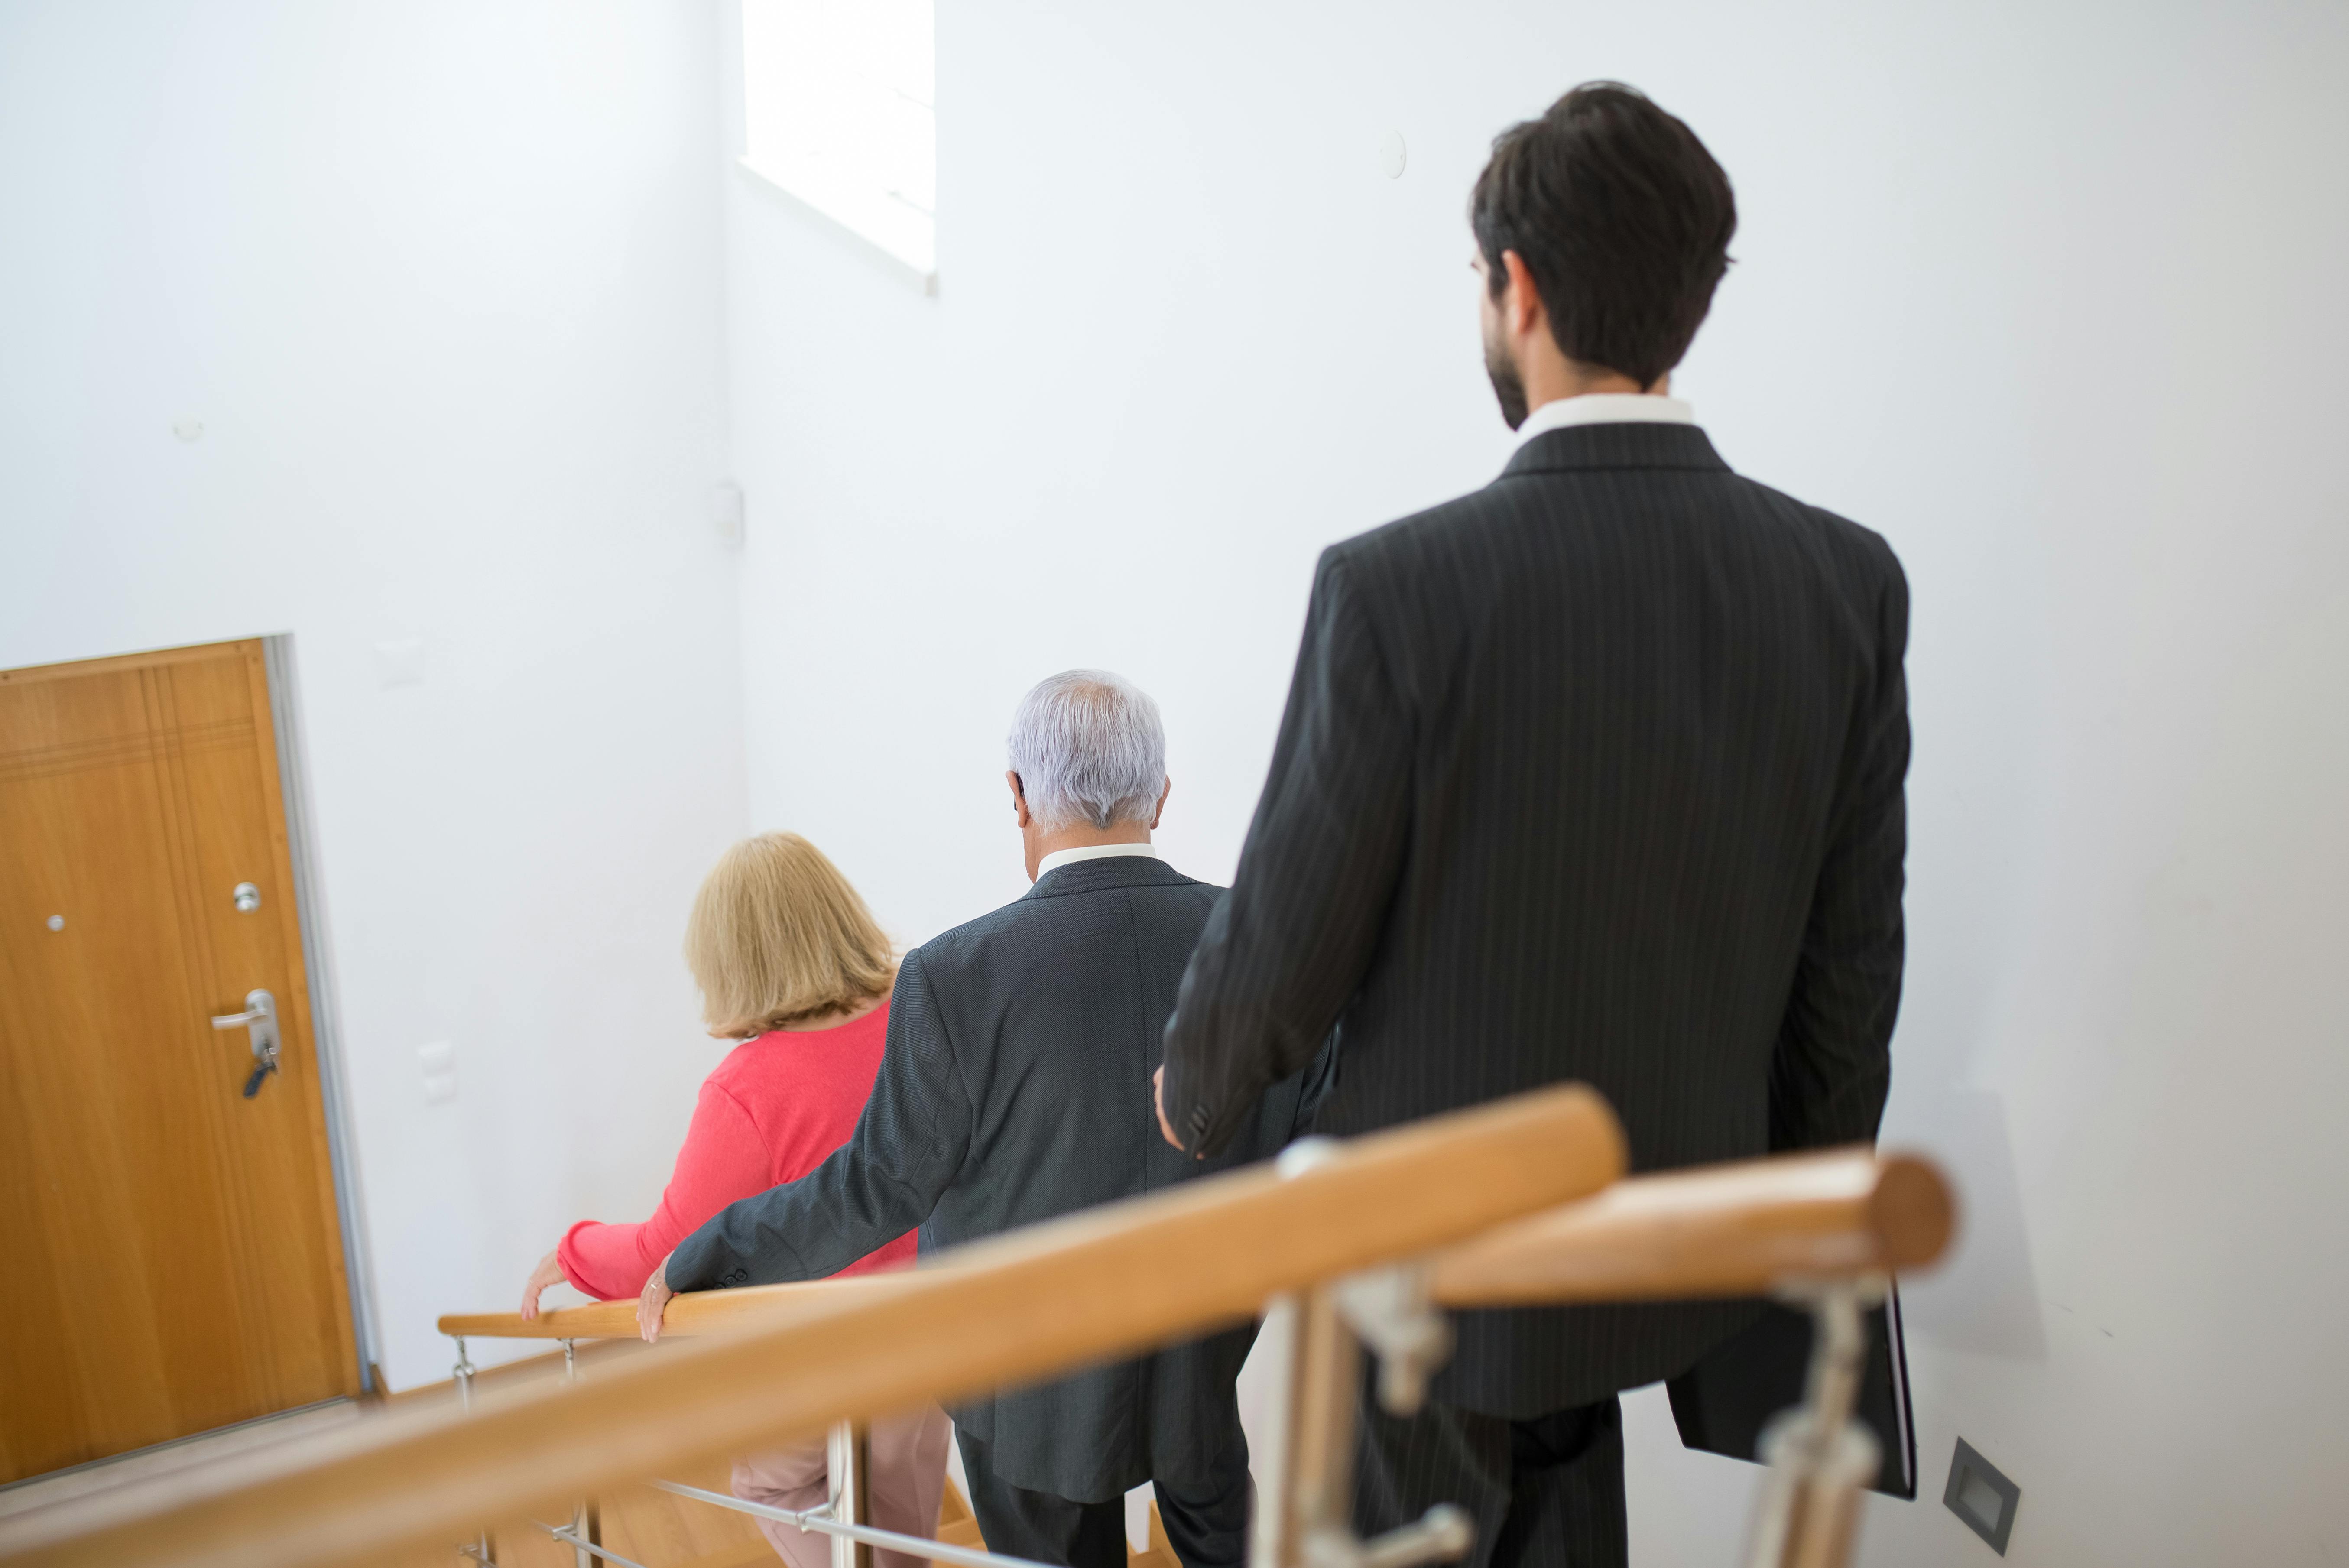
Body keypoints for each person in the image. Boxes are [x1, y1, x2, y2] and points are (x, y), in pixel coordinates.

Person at [1155, 83, 1909, 1568]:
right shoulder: (1843, 585)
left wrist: (1195, 1088)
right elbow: (1848, 975)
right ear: (1689, 304)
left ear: (1518, 287)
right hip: (1664, 1252)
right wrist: (1789, 1214)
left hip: (1429, 1272)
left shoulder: (1396, 588)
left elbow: (1284, 953)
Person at [640, 671, 1328, 1568]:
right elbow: (1314, 1135)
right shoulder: (1264, 941)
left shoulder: (955, 976)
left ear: (1016, 796)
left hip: (1022, 1387)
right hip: (1200, 1356)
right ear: (1160, 794)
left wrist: (709, 1251)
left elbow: (875, 1183)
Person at [517, 832, 949, 1568]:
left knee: (773, 1488)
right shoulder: (923, 1013)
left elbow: (665, 1253)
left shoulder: (746, 1090)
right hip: (934, 1326)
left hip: (816, 1353)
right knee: (899, 1514)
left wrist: (571, 1251)